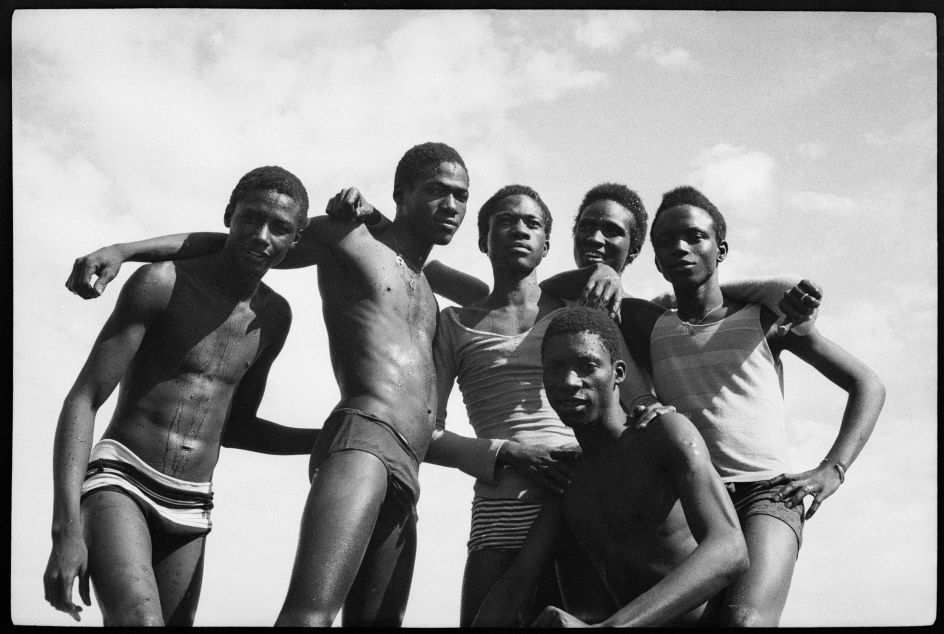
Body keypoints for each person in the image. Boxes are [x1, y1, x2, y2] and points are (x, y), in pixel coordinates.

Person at [63, 142, 471, 627]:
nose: (451, 206)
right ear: (403, 192)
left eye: (460, 196)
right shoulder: (347, 238)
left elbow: (484, 292)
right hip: (137, 473)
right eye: (436, 192)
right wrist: (125, 250)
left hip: (387, 463)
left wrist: (383, 217)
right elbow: (232, 243)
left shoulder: (418, 284)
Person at [44, 166, 319, 626]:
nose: (262, 235)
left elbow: (238, 427)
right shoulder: (162, 282)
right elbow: (84, 398)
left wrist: (333, 436)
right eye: (250, 218)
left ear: (295, 240)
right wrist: (66, 528)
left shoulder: (274, 317)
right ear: (229, 216)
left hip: (193, 506)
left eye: (280, 228)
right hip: (122, 480)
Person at [420, 185, 671, 625]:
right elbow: (425, 433)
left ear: (547, 246)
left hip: (582, 498)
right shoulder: (453, 323)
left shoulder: (578, 315)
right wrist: (505, 451)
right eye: (505, 221)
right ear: (483, 240)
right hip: (500, 507)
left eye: (532, 223)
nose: (519, 230)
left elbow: (634, 396)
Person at [646, 185, 886, 626]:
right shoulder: (653, 326)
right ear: (657, 261)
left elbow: (867, 384)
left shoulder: (763, 319)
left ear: (720, 250)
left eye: (694, 237)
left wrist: (833, 468)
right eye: (665, 241)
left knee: (745, 621)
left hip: (768, 495)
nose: (680, 246)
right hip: (692, 501)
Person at [473, 307, 750, 627]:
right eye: (555, 368)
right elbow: (517, 584)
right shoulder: (569, 475)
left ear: (618, 373)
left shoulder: (663, 435)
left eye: (587, 366)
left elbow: (730, 548)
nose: (569, 381)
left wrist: (612, 627)